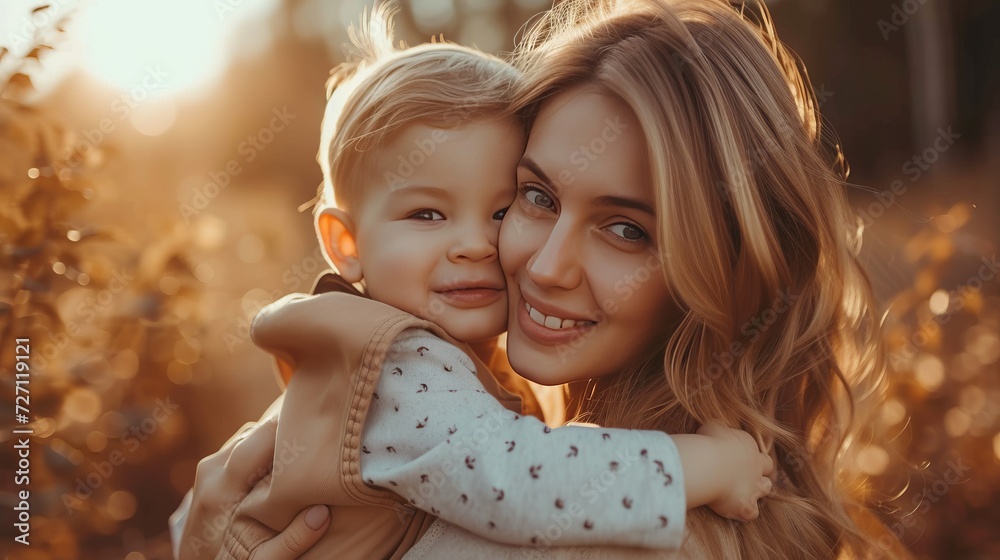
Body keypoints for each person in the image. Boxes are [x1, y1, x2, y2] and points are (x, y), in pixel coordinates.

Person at [183, 0, 908, 557]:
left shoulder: (613, 531)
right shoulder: (410, 367)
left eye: (628, 229)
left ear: (724, 267)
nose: (542, 263)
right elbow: (508, 473)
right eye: (537, 196)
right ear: (345, 244)